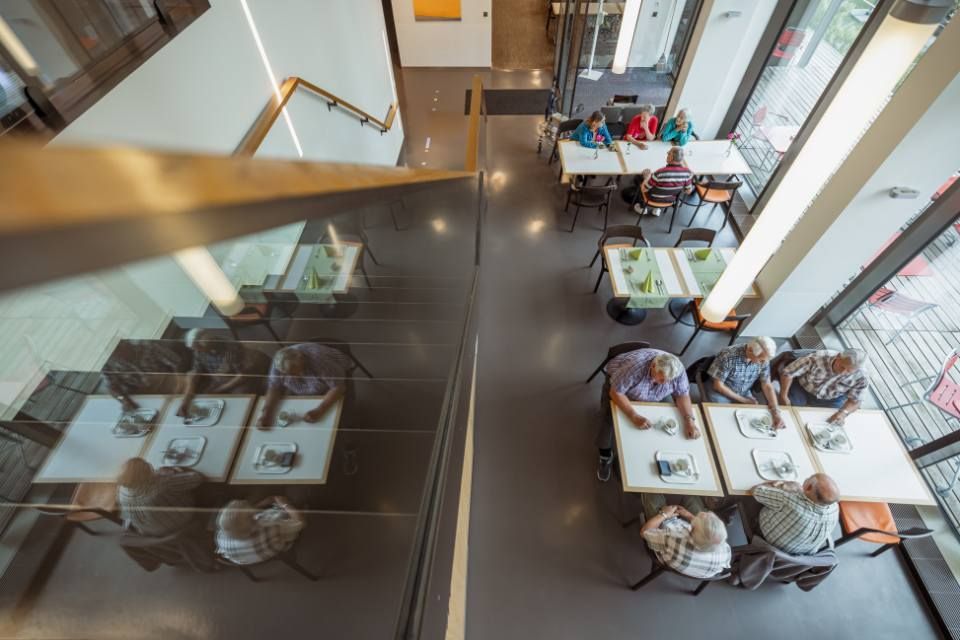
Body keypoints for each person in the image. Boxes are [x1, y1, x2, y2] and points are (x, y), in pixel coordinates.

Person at [597, 349, 700, 482]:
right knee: (608, 420)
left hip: (651, 393)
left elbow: (682, 394)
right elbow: (616, 392)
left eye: (668, 380)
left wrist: (689, 421)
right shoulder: (634, 367)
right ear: (653, 366)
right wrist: (633, 415)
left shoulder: (676, 371)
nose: (665, 383)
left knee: (669, 417)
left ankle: (651, 451)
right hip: (621, 387)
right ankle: (605, 456)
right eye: (662, 378)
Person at [256, 343, 351, 428]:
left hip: (333, 378)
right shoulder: (279, 363)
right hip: (308, 389)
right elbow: (274, 387)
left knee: (332, 419)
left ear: (302, 358)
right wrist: (266, 413)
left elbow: (338, 387)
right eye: (287, 373)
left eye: (293, 372)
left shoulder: (319, 360)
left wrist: (319, 410)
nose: (290, 377)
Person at [177, 329, 265, 417]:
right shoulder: (198, 351)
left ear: (206, 342)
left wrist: (219, 390)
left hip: (237, 380)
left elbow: (242, 376)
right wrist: (187, 397)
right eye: (194, 349)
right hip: (218, 379)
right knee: (203, 400)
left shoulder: (230, 348)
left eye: (198, 347)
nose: (197, 351)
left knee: (239, 404)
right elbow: (195, 373)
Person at [640, 496, 731, 579]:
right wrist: (689, 515)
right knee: (691, 497)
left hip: (667, 535)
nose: (706, 512)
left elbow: (645, 532)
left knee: (652, 495)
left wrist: (664, 514)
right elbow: (705, 533)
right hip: (696, 566)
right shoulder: (724, 549)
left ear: (690, 529)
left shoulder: (675, 538)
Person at [749, 474, 840, 556]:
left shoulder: (789, 500)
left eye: (808, 478)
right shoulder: (835, 508)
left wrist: (784, 484)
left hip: (767, 543)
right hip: (802, 556)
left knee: (746, 497)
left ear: (808, 487)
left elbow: (755, 490)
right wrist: (799, 490)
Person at [706, 337, 784, 428]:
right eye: (761, 360)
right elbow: (718, 386)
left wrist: (776, 412)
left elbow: (767, 384)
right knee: (723, 421)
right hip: (720, 392)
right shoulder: (728, 355)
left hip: (743, 392)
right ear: (750, 350)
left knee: (750, 422)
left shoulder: (764, 359)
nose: (763, 363)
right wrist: (744, 401)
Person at [779, 348, 868, 425]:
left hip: (832, 399)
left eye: (849, 371)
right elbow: (788, 373)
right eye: (842, 367)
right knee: (788, 414)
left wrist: (843, 413)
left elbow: (856, 401)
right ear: (838, 357)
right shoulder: (817, 357)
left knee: (829, 422)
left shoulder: (862, 376)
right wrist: (783, 395)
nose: (843, 372)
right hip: (803, 388)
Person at [116, 457, 203, 536]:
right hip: (175, 527)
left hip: (145, 531)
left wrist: (158, 474)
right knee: (207, 489)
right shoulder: (162, 484)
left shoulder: (121, 489)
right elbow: (197, 478)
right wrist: (170, 473)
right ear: (148, 473)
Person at [102, 340, 190, 412]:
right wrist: (124, 400)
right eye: (114, 355)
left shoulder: (148, 346)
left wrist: (178, 385)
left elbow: (177, 363)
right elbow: (111, 387)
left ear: (126, 344)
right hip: (144, 394)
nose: (119, 358)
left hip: (168, 383)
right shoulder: (109, 363)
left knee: (185, 408)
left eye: (118, 351)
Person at [215, 497, 305, 565]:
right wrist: (285, 504)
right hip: (275, 544)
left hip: (243, 557)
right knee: (296, 499)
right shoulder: (270, 527)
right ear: (255, 520)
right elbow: (300, 522)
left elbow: (241, 521)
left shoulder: (222, 535)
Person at [632, 146, 693, 216]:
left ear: (671, 157)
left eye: (669, 153)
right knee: (664, 186)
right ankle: (657, 209)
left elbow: (644, 189)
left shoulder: (660, 172)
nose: (667, 154)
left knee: (639, 179)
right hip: (671, 199)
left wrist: (648, 176)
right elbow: (688, 191)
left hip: (653, 198)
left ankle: (642, 208)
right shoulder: (687, 173)